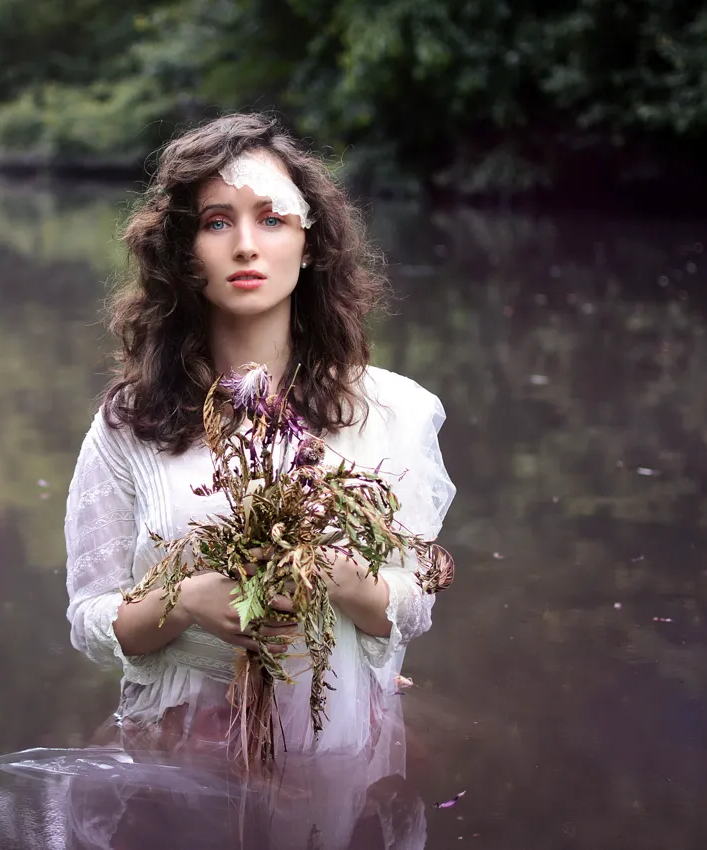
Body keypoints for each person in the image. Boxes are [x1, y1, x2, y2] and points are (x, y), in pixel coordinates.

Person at [63, 113, 456, 779]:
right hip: (178, 746)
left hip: (332, 740)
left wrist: (340, 579)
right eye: (217, 222)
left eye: (272, 219)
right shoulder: (130, 423)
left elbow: (412, 604)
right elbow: (90, 618)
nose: (246, 245)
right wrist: (184, 601)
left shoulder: (395, 412)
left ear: (309, 245)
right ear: (186, 254)